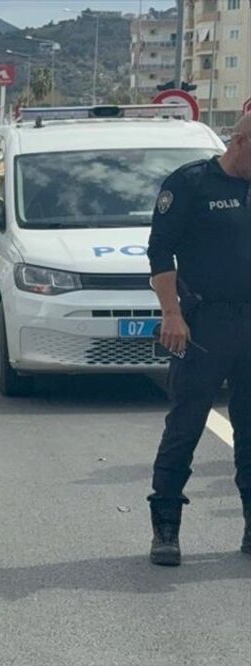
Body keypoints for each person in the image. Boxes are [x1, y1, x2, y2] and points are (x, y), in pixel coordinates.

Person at [145, 112, 251, 566]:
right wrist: (171, 313)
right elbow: (159, 251)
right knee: (185, 426)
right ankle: (166, 527)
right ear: (239, 142)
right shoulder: (191, 184)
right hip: (204, 325)